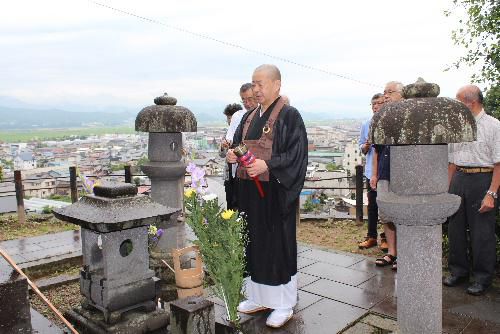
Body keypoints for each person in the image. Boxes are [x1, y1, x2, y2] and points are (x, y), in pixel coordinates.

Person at [226, 64, 308, 328]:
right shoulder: (249, 117)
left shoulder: (290, 115)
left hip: (274, 192)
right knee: (253, 243)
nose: (256, 89)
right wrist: (232, 155)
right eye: (253, 83)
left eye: (261, 84)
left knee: (276, 245)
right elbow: (239, 145)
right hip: (250, 192)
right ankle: (257, 295)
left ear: (277, 84)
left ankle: (283, 303)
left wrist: (268, 165)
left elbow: (296, 156)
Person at [443, 85, 500, 296]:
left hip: (483, 179)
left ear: (470, 102)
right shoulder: (456, 126)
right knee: (455, 229)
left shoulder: (494, 126)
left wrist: (492, 193)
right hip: (459, 177)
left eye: (458, 101)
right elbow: (451, 161)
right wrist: (447, 189)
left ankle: (483, 278)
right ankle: (458, 271)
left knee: (482, 233)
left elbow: (499, 163)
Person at [371, 81, 404, 270]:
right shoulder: (382, 117)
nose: (386, 96)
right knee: (386, 214)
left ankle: (404, 254)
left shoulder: (409, 116)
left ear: (402, 94)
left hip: (402, 174)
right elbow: (376, 150)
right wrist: (374, 174)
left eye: (390, 92)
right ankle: (391, 252)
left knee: (402, 214)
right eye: (384, 92)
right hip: (384, 171)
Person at [358, 93, 387, 250]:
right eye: (373, 104)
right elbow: (361, 146)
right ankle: (371, 236)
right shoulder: (366, 124)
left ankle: (386, 237)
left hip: (387, 171)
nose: (375, 106)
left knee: (387, 207)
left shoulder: (390, 122)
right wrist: (366, 146)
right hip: (371, 171)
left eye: (379, 103)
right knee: (372, 206)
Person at [220, 103, 243, 209]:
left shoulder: (244, 132)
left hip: (240, 175)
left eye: (230, 118)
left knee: (239, 202)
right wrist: (223, 147)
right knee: (229, 201)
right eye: (228, 118)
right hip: (228, 175)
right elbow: (221, 154)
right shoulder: (227, 134)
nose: (228, 121)